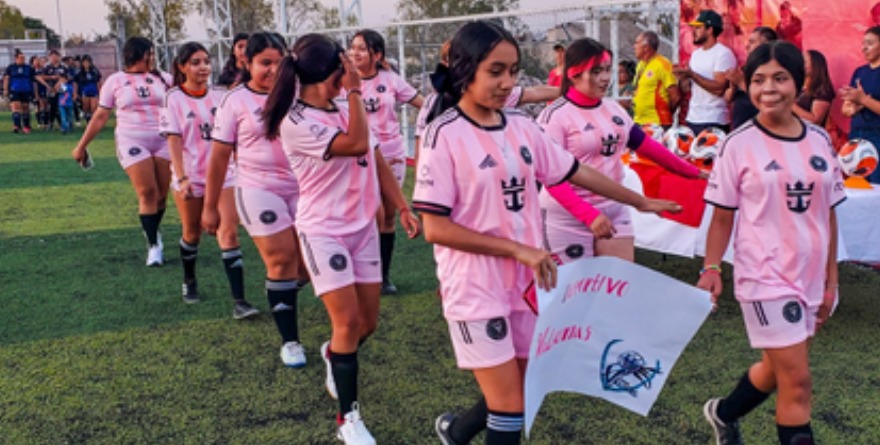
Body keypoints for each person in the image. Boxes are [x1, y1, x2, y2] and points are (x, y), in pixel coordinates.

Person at [414, 21, 680, 445]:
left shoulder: (521, 127)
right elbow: (434, 227)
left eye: (513, 71)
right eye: (495, 71)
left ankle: (456, 432)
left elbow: (577, 171)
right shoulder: (442, 134)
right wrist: (519, 250)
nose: (508, 83)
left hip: (526, 284)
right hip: (475, 287)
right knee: (508, 406)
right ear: (466, 70)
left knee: (517, 394)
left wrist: (638, 201)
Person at [263, 33, 419, 445]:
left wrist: (401, 205)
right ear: (333, 74)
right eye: (344, 66)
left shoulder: (342, 107)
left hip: (363, 227)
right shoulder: (295, 122)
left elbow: (373, 153)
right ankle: (347, 418)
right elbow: (352, 143)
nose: (352, 72)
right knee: (347, 321)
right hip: (323, 231)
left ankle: (334, 352)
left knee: (367, 324)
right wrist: (355, 91)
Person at [699, 41, 844, 445]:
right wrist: (711, 267)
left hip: (811, 273)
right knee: (797, 380)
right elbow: (723, 214)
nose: (768, 89)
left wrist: (831, 280)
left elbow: (828, 211)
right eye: (759, 79)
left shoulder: (819, 141)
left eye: (780, 78)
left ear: (798, 84)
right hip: (763, 275)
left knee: (775, 367)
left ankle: (723, 413)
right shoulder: (737, 144)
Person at [538, 38, 704, 266]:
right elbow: (551, 178)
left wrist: (693, 172)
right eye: (596, 71)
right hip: (567, 218)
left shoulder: (614, 109)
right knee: (572, 297)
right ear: (574, 74)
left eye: (607, 70)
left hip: (614, 209)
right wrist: (588, 214)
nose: (605, 78)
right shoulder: (554, 116)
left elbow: (648, 146)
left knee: (617, 289)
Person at [204, 32, 307, 361]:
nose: (274, 71)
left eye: (280, 63)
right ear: (246, 63)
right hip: (258, 189)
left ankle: (283, 294)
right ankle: (290, 342)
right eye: (265, 63)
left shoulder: (300, 93)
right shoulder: (235, 101)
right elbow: (219, 157)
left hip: (305, 187)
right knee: (280, 260)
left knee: (305, 268)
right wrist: (210, 207)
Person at [159, 42, 260, 320]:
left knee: (228, 232)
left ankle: (240, 301)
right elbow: (174, 140)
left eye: (205, 61)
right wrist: (181, 177)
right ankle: (189, 279)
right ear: (182, 67)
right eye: (195, 62)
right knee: (192, 233)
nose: (203, 67)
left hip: (225, 175)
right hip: (190, 176)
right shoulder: (173, 98)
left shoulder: (221, 96)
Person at [72, 37, 173, 267]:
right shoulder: (115, 81)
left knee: (160, 196)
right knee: (147, 192)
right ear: (138, 54)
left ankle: (153, 230)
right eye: (150, 52)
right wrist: (82, 145)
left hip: (164, 140)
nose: (153, 57)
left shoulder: (164, 78)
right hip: (132, 139)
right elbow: (100, 116)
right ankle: (153, 246)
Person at [346, 29, 424, 295]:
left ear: (376, 55)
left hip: (391, 155)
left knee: (387, 217)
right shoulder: (344, 82)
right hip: (360, 155)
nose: (354, 53)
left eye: (361, 48)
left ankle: (383, 276)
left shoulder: (391, 80)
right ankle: (362, 272)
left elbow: (422, 105)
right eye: (352, 48)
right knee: (371, 213)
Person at [674, 9, 737, 134]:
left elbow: (719, 89)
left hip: (714, 119)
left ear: (710, 30)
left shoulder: (723, 54)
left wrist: (692, 74)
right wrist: (682, 77)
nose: (694, 31)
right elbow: (688, 89)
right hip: (693, 118)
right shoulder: (696, 54)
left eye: (698, 27)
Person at [840, 26, 880, 184]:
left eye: (869, 43)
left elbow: (861, 98)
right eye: (863, 43)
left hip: (877, 134)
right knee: (858, 185)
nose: (864, 48)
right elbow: (846, 108)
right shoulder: (859, 72)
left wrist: (863, 100)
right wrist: (852, 108)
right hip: (857, 135)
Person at [726, 26, 778, 130]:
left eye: (752, 42)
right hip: (739, 127)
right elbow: (728, 98)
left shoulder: (773, 68)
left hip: (761, 129)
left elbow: (767, 98)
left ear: (766, 44)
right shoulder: (745, 67)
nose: (747, 46)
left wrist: (740, 82)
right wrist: (733, 86)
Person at [632, 30, 680, 129]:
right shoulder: (641, 65)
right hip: (639, 120)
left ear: (646, 47)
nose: (634, 46)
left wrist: (666, 113)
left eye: (637, 43)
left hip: (657, 122)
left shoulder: (662, 64)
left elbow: (675, 96)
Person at [793, 50, 835, 126]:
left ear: (815, 65)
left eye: (804, 62)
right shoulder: (798, 85)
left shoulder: (822, 89)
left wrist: (790, 105)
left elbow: (815, 120)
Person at [3, 49, 36, 134]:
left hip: (26, 90)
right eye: (21, 58)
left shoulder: (29, 68)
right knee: (16, 108)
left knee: (25, 109)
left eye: (24, 58)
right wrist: (5, 89)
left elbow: (34, 78)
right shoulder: (11, 68)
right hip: (15, 91)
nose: (23, 59)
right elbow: (6, 78)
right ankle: (16, 126)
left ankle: (26, 126)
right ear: (16, 58)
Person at [39, 49, 68, 131]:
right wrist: (51, 78)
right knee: (52, 107)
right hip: (50, 89)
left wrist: (58, 84)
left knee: (61, 106)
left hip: (62, 89)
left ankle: (63, 123)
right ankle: (50, 123)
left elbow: (65, 78)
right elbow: (41, 77)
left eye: (56, 56)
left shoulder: (63, 67)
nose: (54, 58)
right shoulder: (47, 67)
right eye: (52, 56)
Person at [75, 55, 102, 123]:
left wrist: (100, 92)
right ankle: (88, 121)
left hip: (94, 91)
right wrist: (75, 93)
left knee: (93, 108)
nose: (86, 64)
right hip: (85, 92)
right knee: (86, 108)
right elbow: (76, 83)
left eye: (87, 62)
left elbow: (99, 81)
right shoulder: (80, 72)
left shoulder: (94, 71)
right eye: (84, 62)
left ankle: (93, 122)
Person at [31, 56, 50, 130]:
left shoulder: (45, 70)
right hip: (39, 89)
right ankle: (40, 122)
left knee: (45, 106)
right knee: (39, 106)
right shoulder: (33, 71)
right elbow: (35, 83)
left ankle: (45, 122)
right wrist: (36, 93)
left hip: (45, 89)